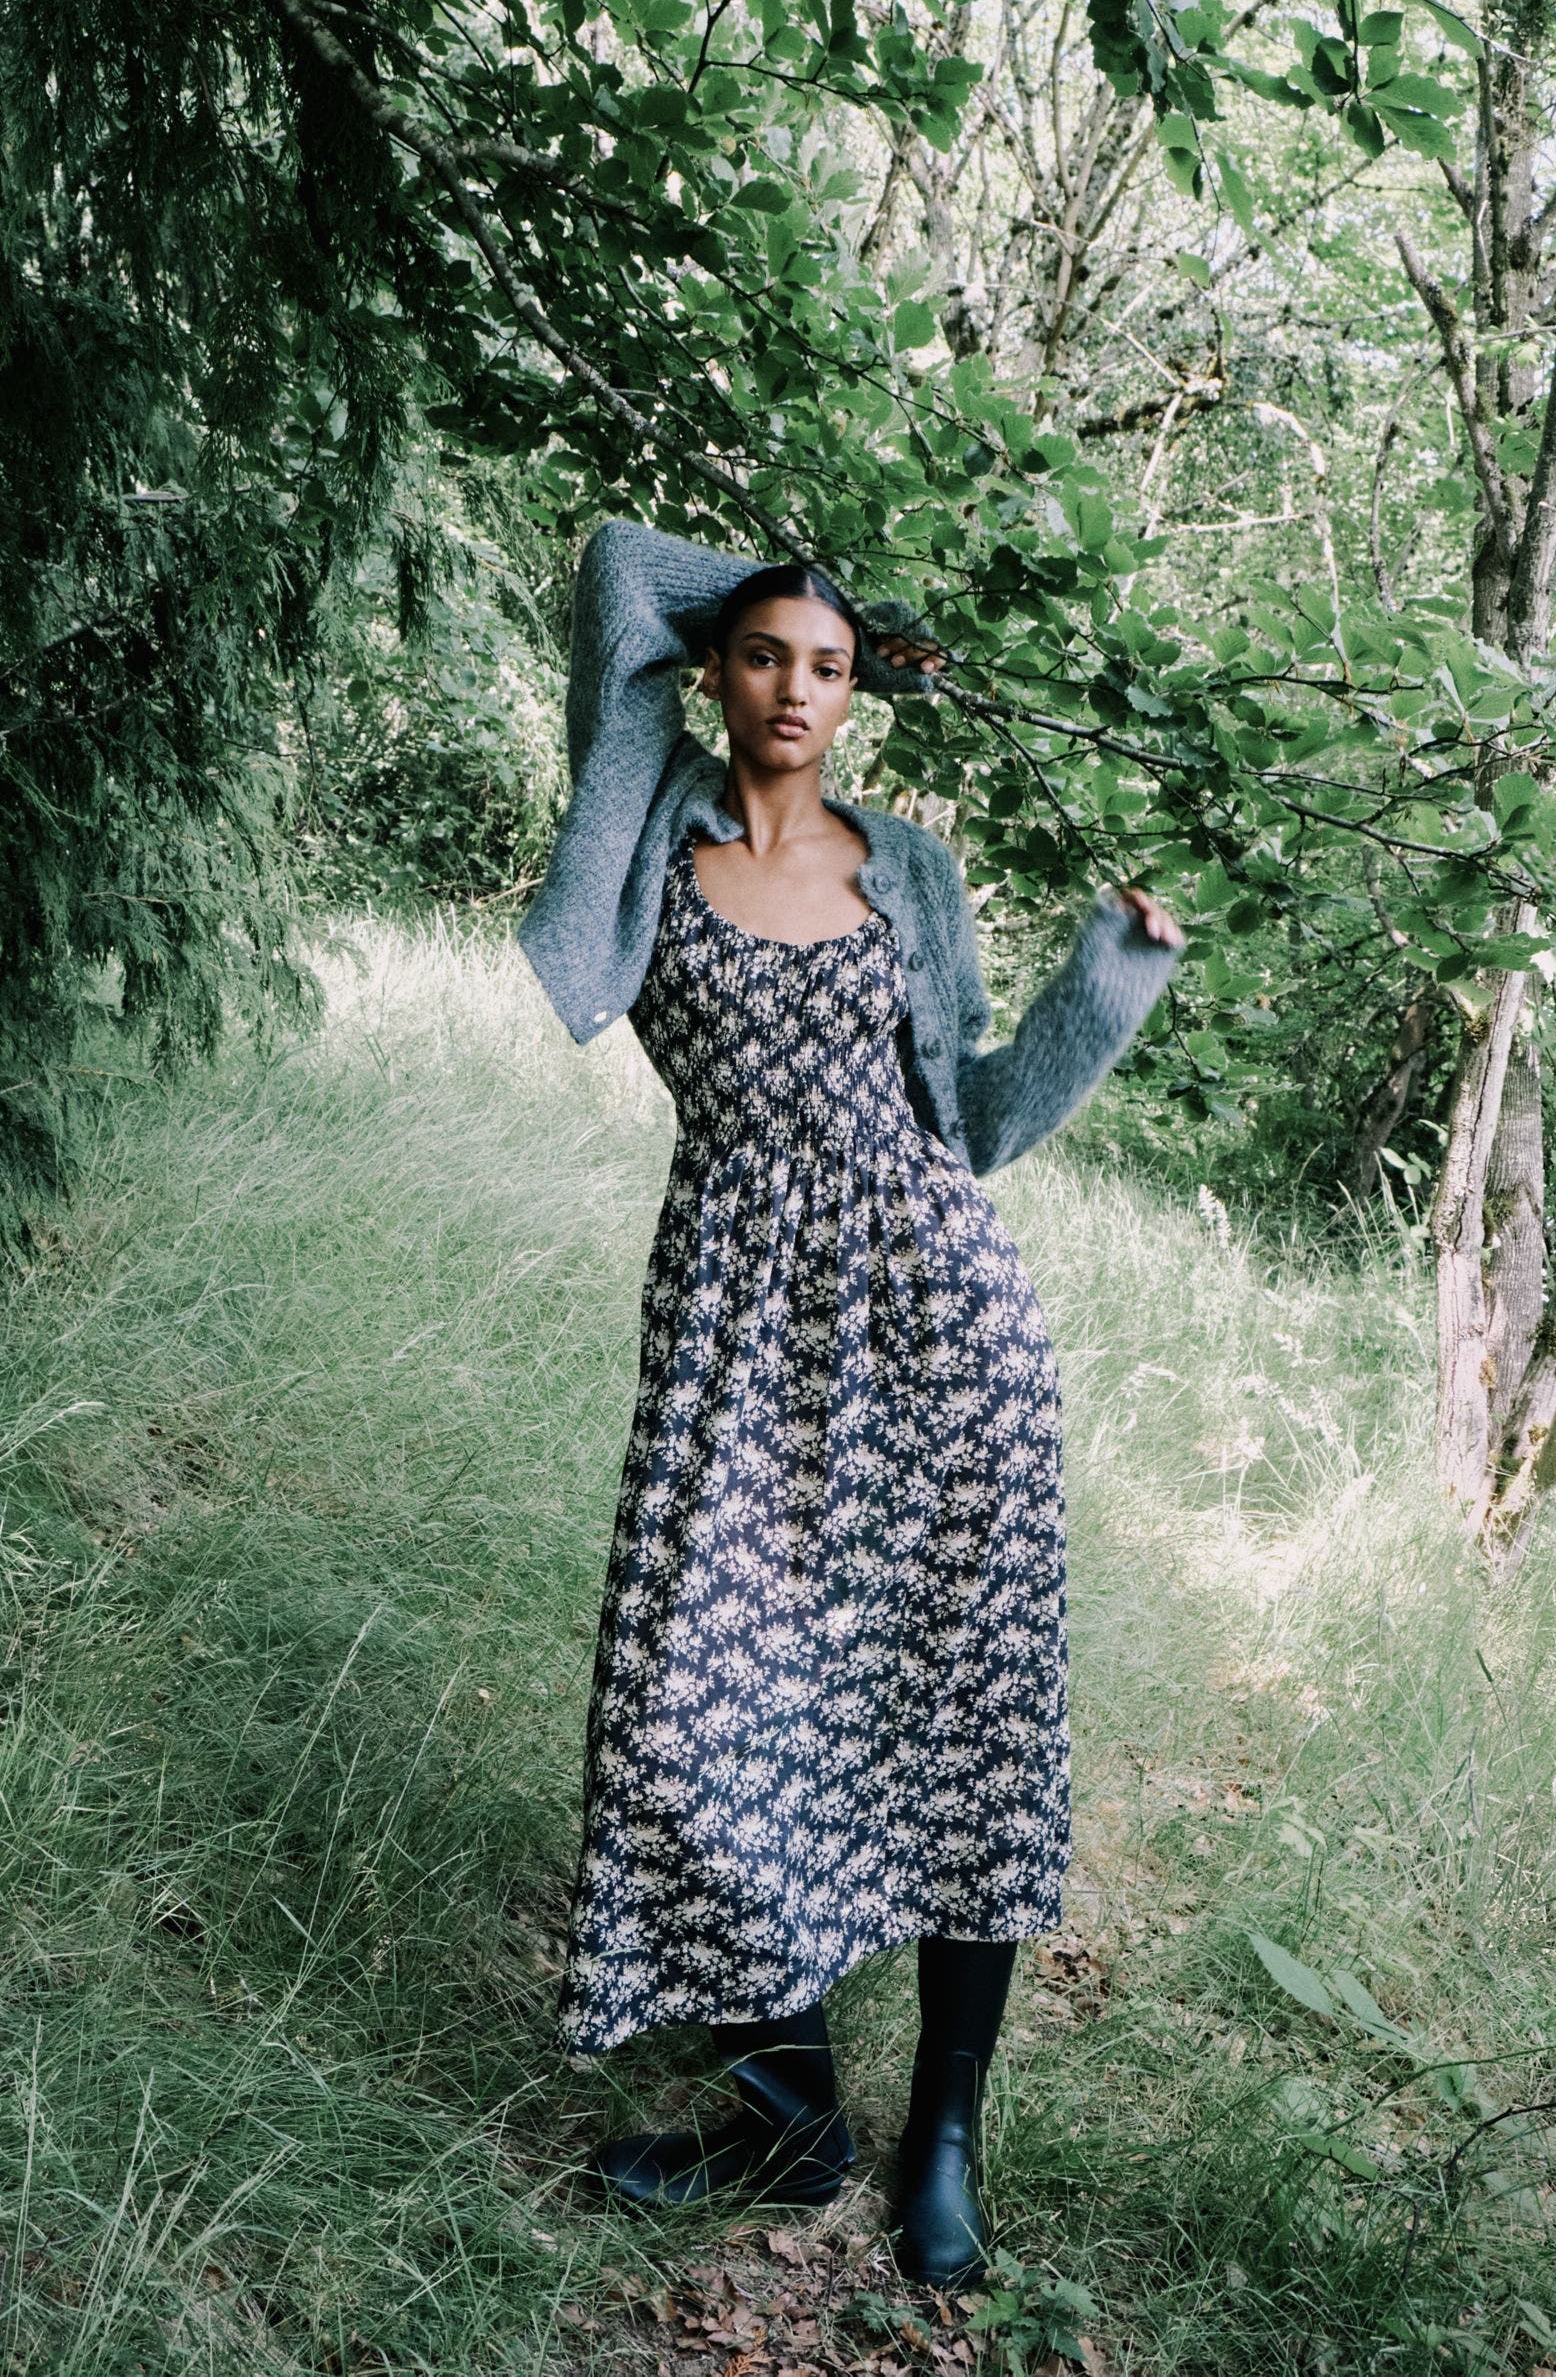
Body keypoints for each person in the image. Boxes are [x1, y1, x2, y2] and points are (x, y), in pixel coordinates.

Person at [517, 520, 1183, 2288]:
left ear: (859, 689)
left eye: (828, 662)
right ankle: (793, 2113)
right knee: (685, 1717)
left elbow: (970, 1120)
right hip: (736, 1332)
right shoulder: (651, 821)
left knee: (962, 1715)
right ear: (713, 671)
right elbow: (611, 574)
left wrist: (1107, 985)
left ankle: (942, 2135)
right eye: (760, 655)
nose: (794, 690)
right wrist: (777, 579)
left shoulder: (917, 872)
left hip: (941, 1324)